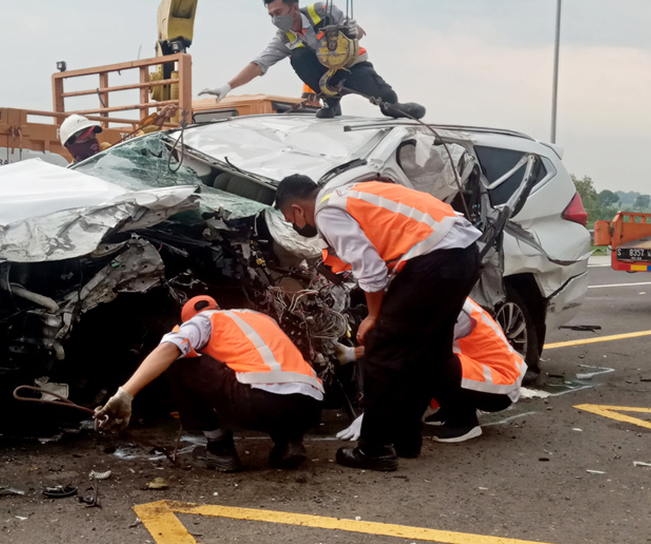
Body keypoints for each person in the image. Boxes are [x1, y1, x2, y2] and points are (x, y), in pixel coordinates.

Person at [274, 174, 482, 472]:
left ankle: (374, 449)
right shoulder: (353, 191)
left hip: (434, 260)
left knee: (382, 350)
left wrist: (373, 317)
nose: (296, 225)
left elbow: (369, 268)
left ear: (296, 209)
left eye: (289, 218)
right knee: (429, 351)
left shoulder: (327, 210)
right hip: (462, 253)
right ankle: (406, 439)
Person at [93, 295, 324, 472]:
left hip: (259, 403)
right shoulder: (260, 318)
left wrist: (125, 394)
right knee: (269, 376)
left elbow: (169, 349)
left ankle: (219, 448)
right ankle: (288, 442)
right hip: (312, 406)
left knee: (178, 360)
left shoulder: (202, 320)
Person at [199, 0, 424, 120]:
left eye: (278, 12)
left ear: (294, 8)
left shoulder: (322, 12)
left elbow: (356, 31)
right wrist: (227, 87)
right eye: (271, 15)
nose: (275, 19)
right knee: (298, 57)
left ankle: (393, 106)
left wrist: (355, 30)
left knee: (388, 99)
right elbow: (259, 64)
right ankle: (331, 102)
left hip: (352, 67)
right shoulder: (284, 38)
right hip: (327, 79)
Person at [334, 297, 528, 444]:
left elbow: (409, 355)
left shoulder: (447, 307)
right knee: (430, 358)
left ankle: (463, 421)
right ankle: (452, 408)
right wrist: (353, 354)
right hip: (488, 377)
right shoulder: (439, 296)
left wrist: (375, 411)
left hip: (499, 387)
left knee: (428, 360)